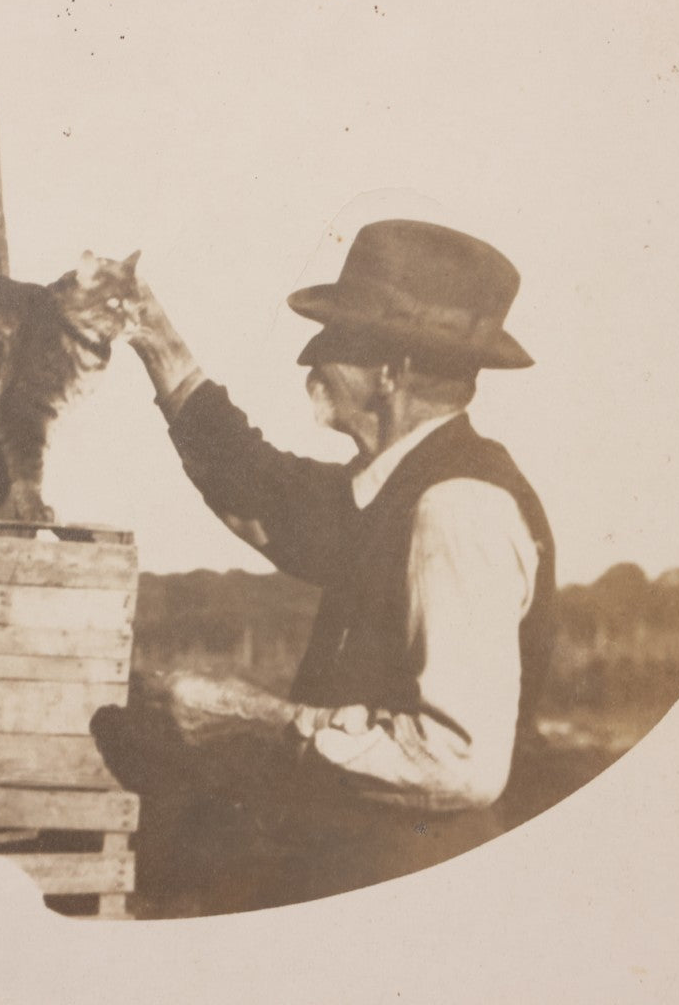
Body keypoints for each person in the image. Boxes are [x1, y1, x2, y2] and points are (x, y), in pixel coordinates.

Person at [109, 218, 557, 912]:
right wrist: (156, 339)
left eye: (335, 338)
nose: (309, 360)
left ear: (391, 372)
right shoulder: (396, 489)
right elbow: (260, 490)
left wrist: (250, 716)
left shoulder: (457, 507)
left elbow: (456, 763)